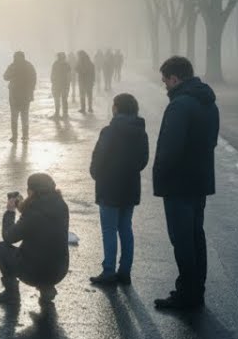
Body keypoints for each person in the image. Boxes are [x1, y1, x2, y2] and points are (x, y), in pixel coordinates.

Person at [152, 57, 220, 310]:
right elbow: (210, 142)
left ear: (175, 78)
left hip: (178, 183)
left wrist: (160, 173)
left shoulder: (180, 105)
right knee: (195, 236)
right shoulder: (208, 104)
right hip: (199, 180)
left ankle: (186, 293)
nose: (164, 86)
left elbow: (170, 149)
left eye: (165, 80)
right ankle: (196, 290)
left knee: (181, 240)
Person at [89, 93, 149, 285]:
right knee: (125, 228)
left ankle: (108, 271)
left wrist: (97, 174)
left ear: (116, 108)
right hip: (130, 185)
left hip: (109, 186)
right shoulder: (141, 131)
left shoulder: (109, 131)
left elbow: (99, 157)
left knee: (109, 229)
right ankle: (125, 272)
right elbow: (143, 160)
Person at [0, 173, 70, 306]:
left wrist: (10, 211)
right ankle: (46, 289)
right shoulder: (61, 205)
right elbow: (40, 219)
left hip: (34, 273)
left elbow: (9, 237)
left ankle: (11, 293)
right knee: (44, 252)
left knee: (1, 248)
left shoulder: (33, 212)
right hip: (59, 271)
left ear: (31, 191)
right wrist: (23, 205)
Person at [2, 51, 37, 142]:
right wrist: (31, 90)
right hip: (26, 96)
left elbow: (5, 77)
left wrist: (13, 74)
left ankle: (14, 136)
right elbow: (34, 78)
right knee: (24, 116)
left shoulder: (13, 66)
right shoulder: (29, 66)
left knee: (14, 116)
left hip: (14, 96)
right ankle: (25, 136)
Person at [50, 52, 72, 119]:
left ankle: (58, 113)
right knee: (63, 100)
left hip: (58, 85)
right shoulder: (66, 64)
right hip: (62, 85)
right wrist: (68, 84)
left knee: (58, 100)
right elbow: (69, 75)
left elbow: (52, 74)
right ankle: (64, 114)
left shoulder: (56, 64)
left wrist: (53, 81)